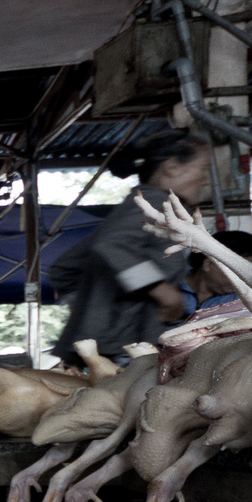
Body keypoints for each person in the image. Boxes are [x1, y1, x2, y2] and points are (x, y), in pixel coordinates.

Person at [48, 131, 212, 362]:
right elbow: (111, 244)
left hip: (111, 343)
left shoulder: (142, 206)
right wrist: (163, 292)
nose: (206, 180)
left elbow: (64, 267)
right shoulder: (156, 204)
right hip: (125, 347)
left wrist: (94, 312)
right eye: (203, 169)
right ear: (172, 166)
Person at [181, 229, 252, 313]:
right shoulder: (172, 289)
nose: (245, 279)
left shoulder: (243, 300)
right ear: (208, 264)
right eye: (239, 271)